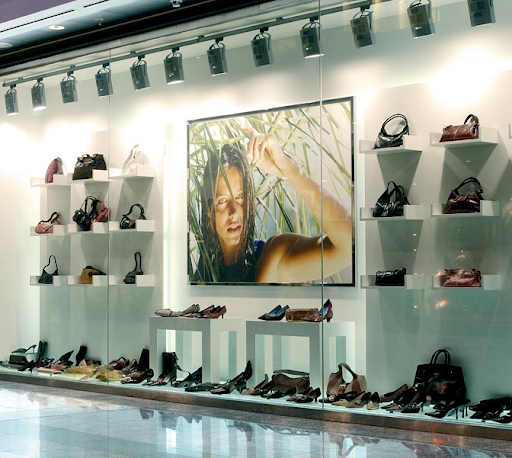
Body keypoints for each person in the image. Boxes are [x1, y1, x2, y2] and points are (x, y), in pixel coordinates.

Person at [191, 127, 352, 283]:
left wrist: (286, 167)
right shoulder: (203, 271)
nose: (233, 213)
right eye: (222, 201)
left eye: (240, 197)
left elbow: (349, 246)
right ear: (209, 211)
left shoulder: (270, 258)